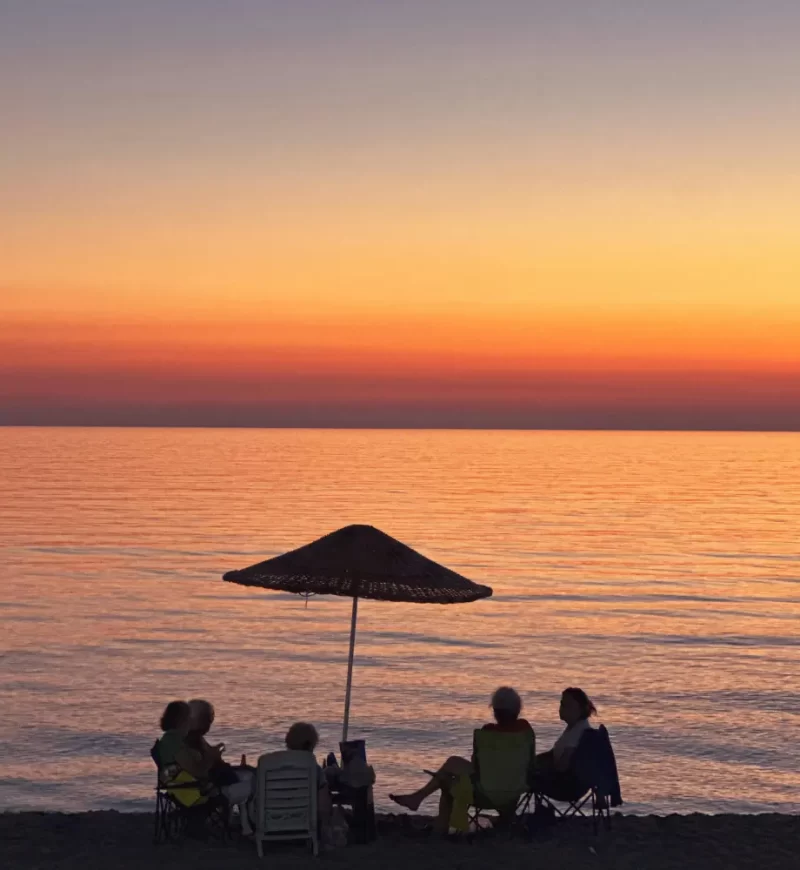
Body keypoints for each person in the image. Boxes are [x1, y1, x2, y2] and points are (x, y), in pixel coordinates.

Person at [389, 687, 533, 833]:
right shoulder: (525, 730)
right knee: (453, 768)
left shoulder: (487, 733)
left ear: (495, 711)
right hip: (513, 793)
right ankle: (417, 798)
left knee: (448, 777)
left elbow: (477, 766)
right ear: (517, 710)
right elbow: (530, 762)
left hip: (485, 794)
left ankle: (430, 813)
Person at [185, 698, 256, 835]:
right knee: (253, 783)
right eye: (208, 720)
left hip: (210, 784)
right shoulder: (192, 743)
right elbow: (203, 770)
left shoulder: (193, 739)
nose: (209, 725)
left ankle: (246, 825)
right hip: (210, 791)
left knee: (248, 775)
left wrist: (217, 757)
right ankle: (250, 824)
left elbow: (210, 764)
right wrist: (214, 757)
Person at [285, 722, 344, 847]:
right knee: (323, 793)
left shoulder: (271, 765)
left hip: (274, 818)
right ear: (311, 744)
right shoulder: (314, 769)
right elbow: (323, 805)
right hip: (303, 818)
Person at [533, 687, 596, 800]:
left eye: (567, 705)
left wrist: (543, 769)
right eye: (562, 704)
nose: (561, 708)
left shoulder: (579, 732)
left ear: (579, 709)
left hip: (566, 787)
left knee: (526, 777)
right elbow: (554, 755)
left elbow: (563, 766)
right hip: (569, 783)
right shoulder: (574, 728)